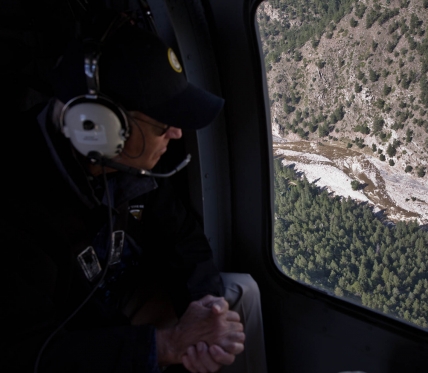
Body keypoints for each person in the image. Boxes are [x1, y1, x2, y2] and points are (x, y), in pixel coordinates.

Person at [2, 17, 266, 373]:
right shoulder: (19, 208)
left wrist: (206, 307)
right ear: (99, 127)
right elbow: (26, 354)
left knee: (240, 295)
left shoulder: (130, 164)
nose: (176, 133)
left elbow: (183, 238)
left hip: (122, 302)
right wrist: (163, 346)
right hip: (72, 339)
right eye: (162, 123)